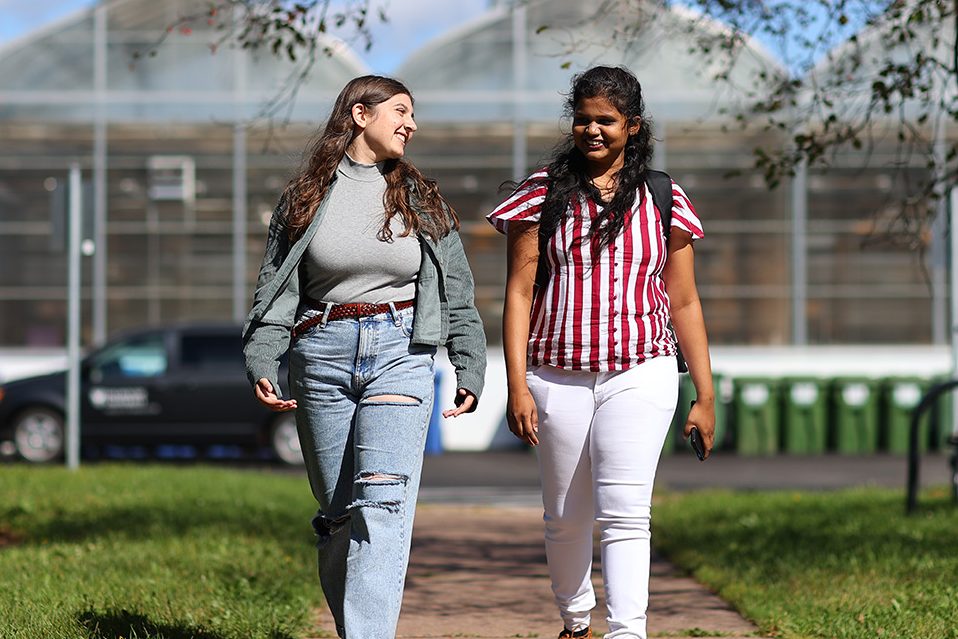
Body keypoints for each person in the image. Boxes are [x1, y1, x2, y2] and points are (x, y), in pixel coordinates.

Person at [242, 75, 486, 639]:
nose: (412, 124)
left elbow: (457, 287)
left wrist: (468, 362)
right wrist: (263, 355)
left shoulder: (421, 197)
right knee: (339, 514)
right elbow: (275, 288)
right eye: (401, 111)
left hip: (402, 350)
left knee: (382, 506)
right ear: (359, 114)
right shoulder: (305, 196)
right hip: (321, 351)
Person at [486, 65, 715, 639]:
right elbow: (517, 293)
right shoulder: (540, 195)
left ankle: (626, 631)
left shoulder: (664, 196)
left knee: (626, 513)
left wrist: (705, 395)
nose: (593, 130)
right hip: (555, 375)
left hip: (642, 371)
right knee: (565, 517)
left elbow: (684, 302)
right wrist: (516, 385)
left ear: (632, 126)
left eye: (606, 121)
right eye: (583, 119)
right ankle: (575, 618)